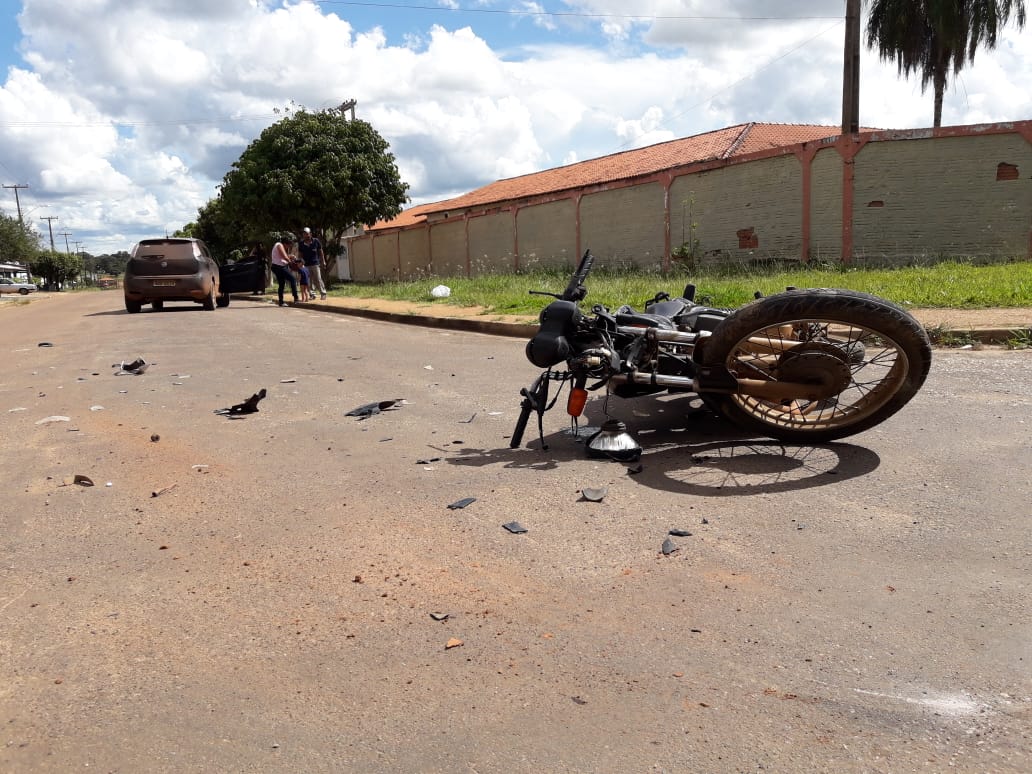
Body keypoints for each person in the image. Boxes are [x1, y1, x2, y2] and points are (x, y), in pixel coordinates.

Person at [298, 227, 328, 300]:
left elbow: (321, 252)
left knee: (318, 279)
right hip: (306, 265)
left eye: (307, 234)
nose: (306, 235)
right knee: (309, 281)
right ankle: (312, 295)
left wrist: (323, 261)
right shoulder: (301, 243)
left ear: (310, 234)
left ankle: (323, 293)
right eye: (304, 234)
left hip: (315, 263)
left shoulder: (316, 241)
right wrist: (301, 261)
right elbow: (300, 254)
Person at [270, 234, 299, 306]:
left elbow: (281, 256)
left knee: (282, 283)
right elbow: (284, 256)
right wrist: (291, 263)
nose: (288, 247)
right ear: (286, 243)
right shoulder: (279, 245)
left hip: (277, 266)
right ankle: (296, 298)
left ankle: (281, 302)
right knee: (292, 279)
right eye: (289, 245)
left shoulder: (278, 245)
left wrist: (291, 256)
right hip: (279, 267)